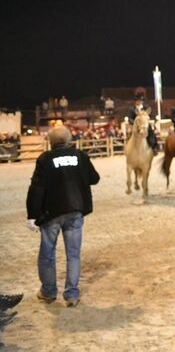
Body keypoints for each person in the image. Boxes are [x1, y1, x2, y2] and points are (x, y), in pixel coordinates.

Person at [26, 126, 101, 307]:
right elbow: (95, 178)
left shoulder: (45, 159)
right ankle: (72, 294)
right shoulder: (80, 156)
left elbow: (37, 188)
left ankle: (48, 292)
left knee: (47, 254)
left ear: (50, 142)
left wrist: (32, 214)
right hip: (75, 210)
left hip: (51, 213)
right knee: (73, 254)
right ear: (69, 140)